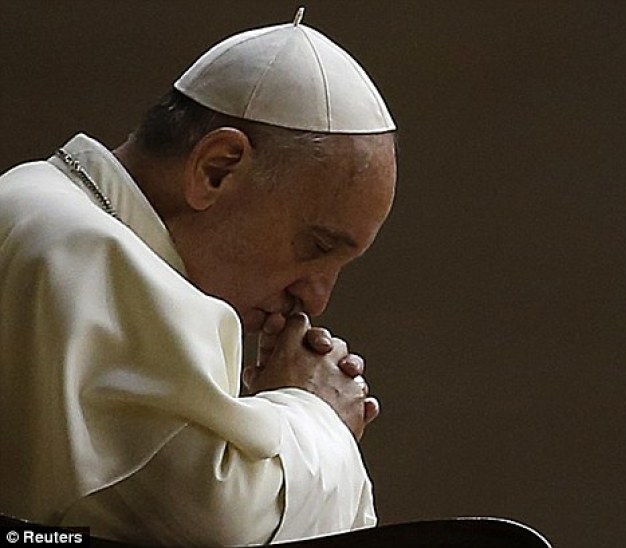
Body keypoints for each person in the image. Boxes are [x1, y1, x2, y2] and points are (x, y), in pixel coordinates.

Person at [0, 11, 397, 546]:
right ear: (218, 168)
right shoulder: (86, 252)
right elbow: (215, 527)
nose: (317, 298)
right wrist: (314, 412)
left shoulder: (33, 204)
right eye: (317, 247)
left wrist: (257, 425)